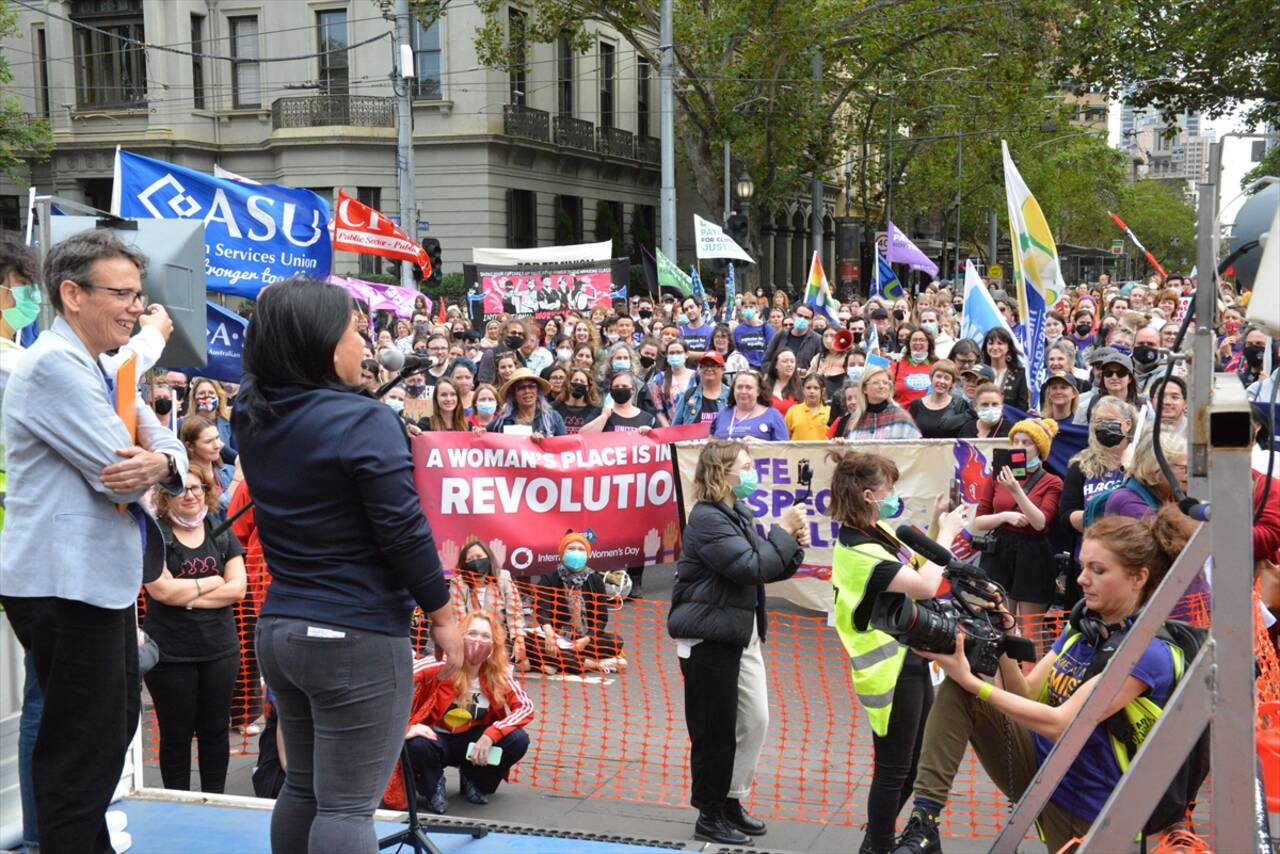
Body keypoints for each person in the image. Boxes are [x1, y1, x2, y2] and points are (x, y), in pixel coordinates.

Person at [232, 277, 461, 853]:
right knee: (347, 806)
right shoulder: (361, 421)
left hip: (281, 629)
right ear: (320, 343)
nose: (366, 343)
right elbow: (403, 531)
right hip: (355, 634)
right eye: (354, 330)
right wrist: (442, 612)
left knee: (305, 789)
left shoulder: (253, 413)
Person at [1, 229, 189, 852]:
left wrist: (164, 463)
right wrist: (157, 462)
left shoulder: (106, 367)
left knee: (106, 729)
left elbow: (162, 448)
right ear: (72, 294)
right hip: (62, 582)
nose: (137, 309)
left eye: (140, 296)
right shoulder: (54, 364)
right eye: (124, 295)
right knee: (81, 743)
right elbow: (118, 475)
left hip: (91, 582)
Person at [893, 506, 1195, 854]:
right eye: (1083, 567)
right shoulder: (1083, 627)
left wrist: (977, 683)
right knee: (959, 689)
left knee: (968, 684)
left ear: (1139, 578)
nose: (1081, 580)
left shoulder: (1148, 652)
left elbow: (1062, 724)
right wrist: (1004, 631)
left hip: (1092, 809)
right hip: (1043, 770)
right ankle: (924, 824)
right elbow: (1028, 694)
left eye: (1098, 571)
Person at [668, 440, 808, 845]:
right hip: (710, 636)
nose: (751, 473)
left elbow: (766, 563)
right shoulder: (707, 519)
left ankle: (731, 799)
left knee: (754, 721)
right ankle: (709, 814)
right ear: (721, 473)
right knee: (715, 730)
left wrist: (792, 543)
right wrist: (782, 532)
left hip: (740, 633)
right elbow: (750, 566)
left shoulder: (738, 513)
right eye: (744, 467)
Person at [827, 452, 968, 854]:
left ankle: (877, 841)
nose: (895, 495)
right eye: (890, 489)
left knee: (914, 761)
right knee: (892, 770)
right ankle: (881, 847)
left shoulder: (876, 530)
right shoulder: (859, 552)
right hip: (888, 672)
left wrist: (939, 523)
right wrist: (948, 535)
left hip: (909, 658)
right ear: (870, 495)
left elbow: (920, 564)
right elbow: (924, 585)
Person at [143, 467, 247, 793]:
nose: (189, 495)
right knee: (176, 734)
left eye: (196, 488)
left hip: (219, 650)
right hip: (171, 653)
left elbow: (237, 589)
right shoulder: (156, 534)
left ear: (206, 490)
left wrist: (187, 597)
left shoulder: (220, 530)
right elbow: (160, 591)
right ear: (164, 494)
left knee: (215, 731)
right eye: (180, 489)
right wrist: (210, 583)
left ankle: (214, 800)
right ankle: (177, 803)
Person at [393, 611, 535, 814]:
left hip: (474, 743)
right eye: (472, 633)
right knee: (415, 744)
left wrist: (491, 735)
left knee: (518, 739)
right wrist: (407, 727)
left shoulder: (499, 674)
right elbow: (394, 683)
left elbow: (526, 707)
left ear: (494, 645)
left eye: (485, 636)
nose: (478, 641)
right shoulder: (439, 663)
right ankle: (432, 786)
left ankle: (474, 778)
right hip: (435, 738)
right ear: (459, 636)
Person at [970, 418, 1063, 625]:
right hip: (1001, 549)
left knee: (1030, 626)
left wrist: (1016, 490)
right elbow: (980, 521)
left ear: (1039, 449)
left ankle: (1034, 659)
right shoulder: (998, 476)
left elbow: (1040, 523)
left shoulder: (1052, 482)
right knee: (1001, 620)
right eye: (1016, 441)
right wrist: (1005, 516)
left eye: (1027, 443)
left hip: (1033, 553)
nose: (1019, 447)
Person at [1057, 397, 1136, 605]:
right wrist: (1100, 516)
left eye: (1109, 420)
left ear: (1127, 424)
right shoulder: (1080, 466)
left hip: (1130, 562)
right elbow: (1065, 516)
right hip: (1088, 565)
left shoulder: (1142, 465)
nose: (1103, 427)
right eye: (1097, 422)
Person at [528, 532, 627, 675]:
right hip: (558, 636)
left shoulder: (595, 580)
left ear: (588, 554)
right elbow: (541, 610)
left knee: (616, 642)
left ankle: (556, 661)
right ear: (562, 554)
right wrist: (549, 634)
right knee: (533, 642)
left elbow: (601, 618)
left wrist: (587, 639)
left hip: (584, 637)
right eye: (571, 549)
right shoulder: (549, 579)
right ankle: (592, 663)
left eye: (581, 549)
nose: (576, 553)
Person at [448, 540, 526, 668]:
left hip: (498, 638)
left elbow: (515, 611)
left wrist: (519, 639)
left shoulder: (504, 578)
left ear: (488, 558)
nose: (476, 561)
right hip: (470, 639)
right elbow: (459, 618)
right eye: (471, 559)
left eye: (479, 557)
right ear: (464, 564)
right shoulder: (458, 583)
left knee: (518, 665)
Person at [181, 413, 238, 517]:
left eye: (217, 438)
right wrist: (237, 480)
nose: (217, 445)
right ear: (190, 446)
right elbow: (209, 513)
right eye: (208, 441)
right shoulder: (185, 480)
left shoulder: (228, 471)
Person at [710, 370, 790, 441]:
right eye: (739, 387)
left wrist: (761, 445)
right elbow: (710, 444)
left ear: (758, 391)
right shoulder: (722, 414)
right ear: (733, 389)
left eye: (748, 387)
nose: (743, 391)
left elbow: (784, 451)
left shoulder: (774, 416)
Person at [846, 366, 922, 441]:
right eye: (876, 383)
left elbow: (916, 449)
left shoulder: (901, 417)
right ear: (864, 389)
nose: (882, 386)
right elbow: (848, 450)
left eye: (885, 383)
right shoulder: (855, 419)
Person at [487, 368, 568, 437]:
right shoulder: (502, 421)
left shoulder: (553, 418)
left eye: (531, 386)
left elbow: (564, 447)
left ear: (538, 390)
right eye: (521, 388)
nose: (527, 391)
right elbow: (487, 439)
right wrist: (480, 433)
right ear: (513, 394)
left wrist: (543, 444)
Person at [907, 360, 972, 439]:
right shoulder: (916, 405)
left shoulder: (959, 404)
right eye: (938, 376)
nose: (941, 381)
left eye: (947, 378)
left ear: (952, 383)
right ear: (931, 378)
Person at [580, 370, 657, 434]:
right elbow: (582, 435)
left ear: (633, 390)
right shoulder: (600, 412)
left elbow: (660, 442)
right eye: (616, 387)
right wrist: (604, 416)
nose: (620, 389)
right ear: (611, 391)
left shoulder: (648, 419)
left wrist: (650, 434)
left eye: (624, 386)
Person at [672, 350, 731, 426]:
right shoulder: (688, 395)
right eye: (705, 365)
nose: (709, 369)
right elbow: (675, 427)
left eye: (714, 365)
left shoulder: (732, 396)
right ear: (700, 369)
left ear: (723, 370)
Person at [187, 376, 237, 465]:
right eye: (202, 393)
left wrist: (221, 447)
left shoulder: (231, 424)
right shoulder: (185, 425)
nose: (207, 396)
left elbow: (238, 459)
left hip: (225, 476)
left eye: (211, 393)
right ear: (194, 399)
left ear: (219, 397)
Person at [650, 338, 696, 426]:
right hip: (670, 429)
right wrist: (668, 430)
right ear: (667, 355)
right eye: (671, 353)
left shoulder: (697, 377)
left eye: (679, 352)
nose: (675, 355)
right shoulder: (659, 379)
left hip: (694, 428)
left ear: (686, 354)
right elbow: (659, 410)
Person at [981, 327, 1029, 410]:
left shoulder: (1020, 374)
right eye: (991, 343)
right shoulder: (980, 372)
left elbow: (1022, 407)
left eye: (1000, 343)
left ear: (1008, 347)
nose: (995, 347)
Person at [762, 303, 822, 367]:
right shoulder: (781, 335)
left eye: (806, 318)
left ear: (811, 321)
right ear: (793, 315)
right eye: (799, 315)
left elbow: (820, 366)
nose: (802, 319)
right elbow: (766, 361)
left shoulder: (817, 340)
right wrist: (775, 372)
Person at [892, 327, 936, 408]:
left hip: (929, 417)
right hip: (902, 417)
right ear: (908, 344)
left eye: (922, 340)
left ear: (929, 343)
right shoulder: (896, 365)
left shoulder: (937, 365)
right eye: (914, 340)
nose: (917, 343)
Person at [553, 366, 604, 434]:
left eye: (582, 382)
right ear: (568, 384)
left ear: (588, 387)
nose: (578, 383)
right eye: (575, 380)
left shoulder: (596, 411)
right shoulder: (554, 408)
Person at [785, 373, 831, 440]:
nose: (812, 391)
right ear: (803, 390)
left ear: (823, 391)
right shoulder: (793, 412)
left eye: (816, 388)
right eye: (808, 388)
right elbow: (784, 439)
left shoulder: (830, 412)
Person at [733, 297, 775, 368]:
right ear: (742, 309)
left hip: (761, 369)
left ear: (757, 308)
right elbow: (736, 351)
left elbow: (772, 351)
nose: (748, 309)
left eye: (751, 307)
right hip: (744, 370)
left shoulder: (766, 328)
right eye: (745, 307)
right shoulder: (737, 330)